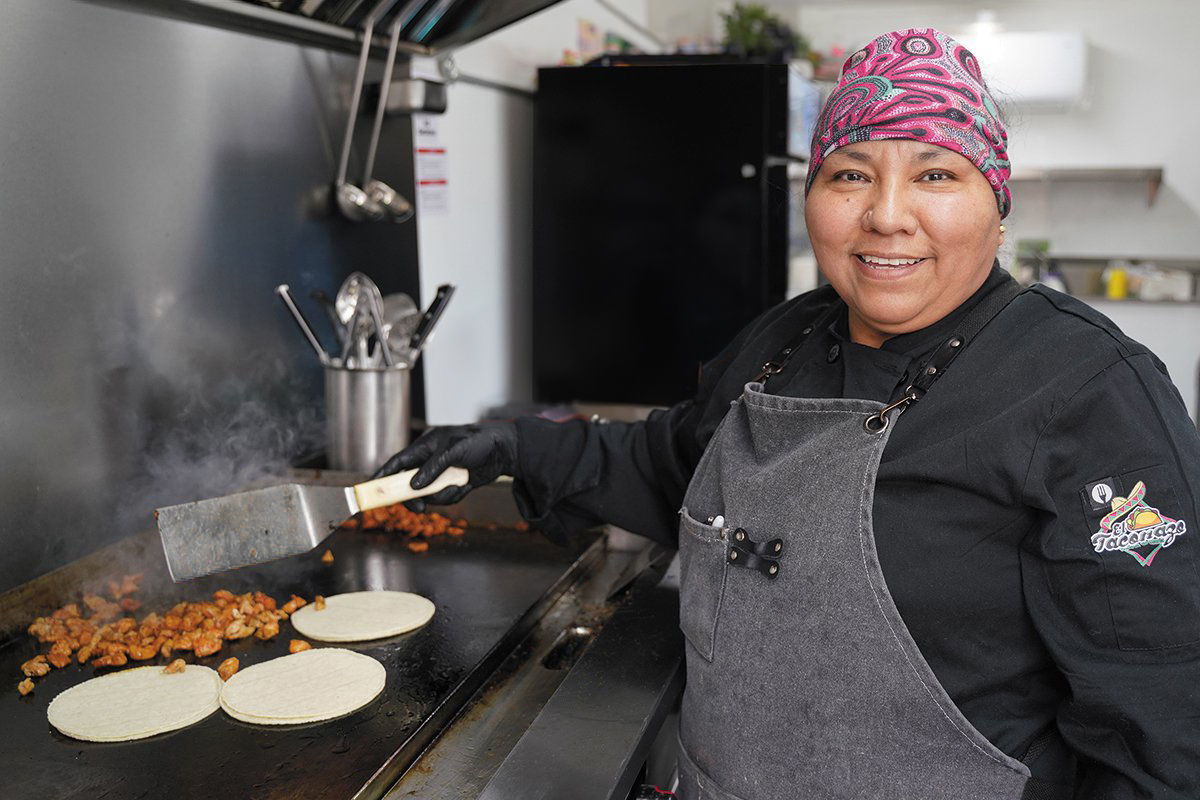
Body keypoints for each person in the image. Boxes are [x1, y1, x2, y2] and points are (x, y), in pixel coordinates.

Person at [375, 29, 1200, 800]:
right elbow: (673, 466)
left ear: (996, 200)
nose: (885, 214)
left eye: (935, 174)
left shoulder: (1089, 389)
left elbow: (1160, 711)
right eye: (850, 173)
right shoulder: (785, 336)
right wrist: (513, 446)